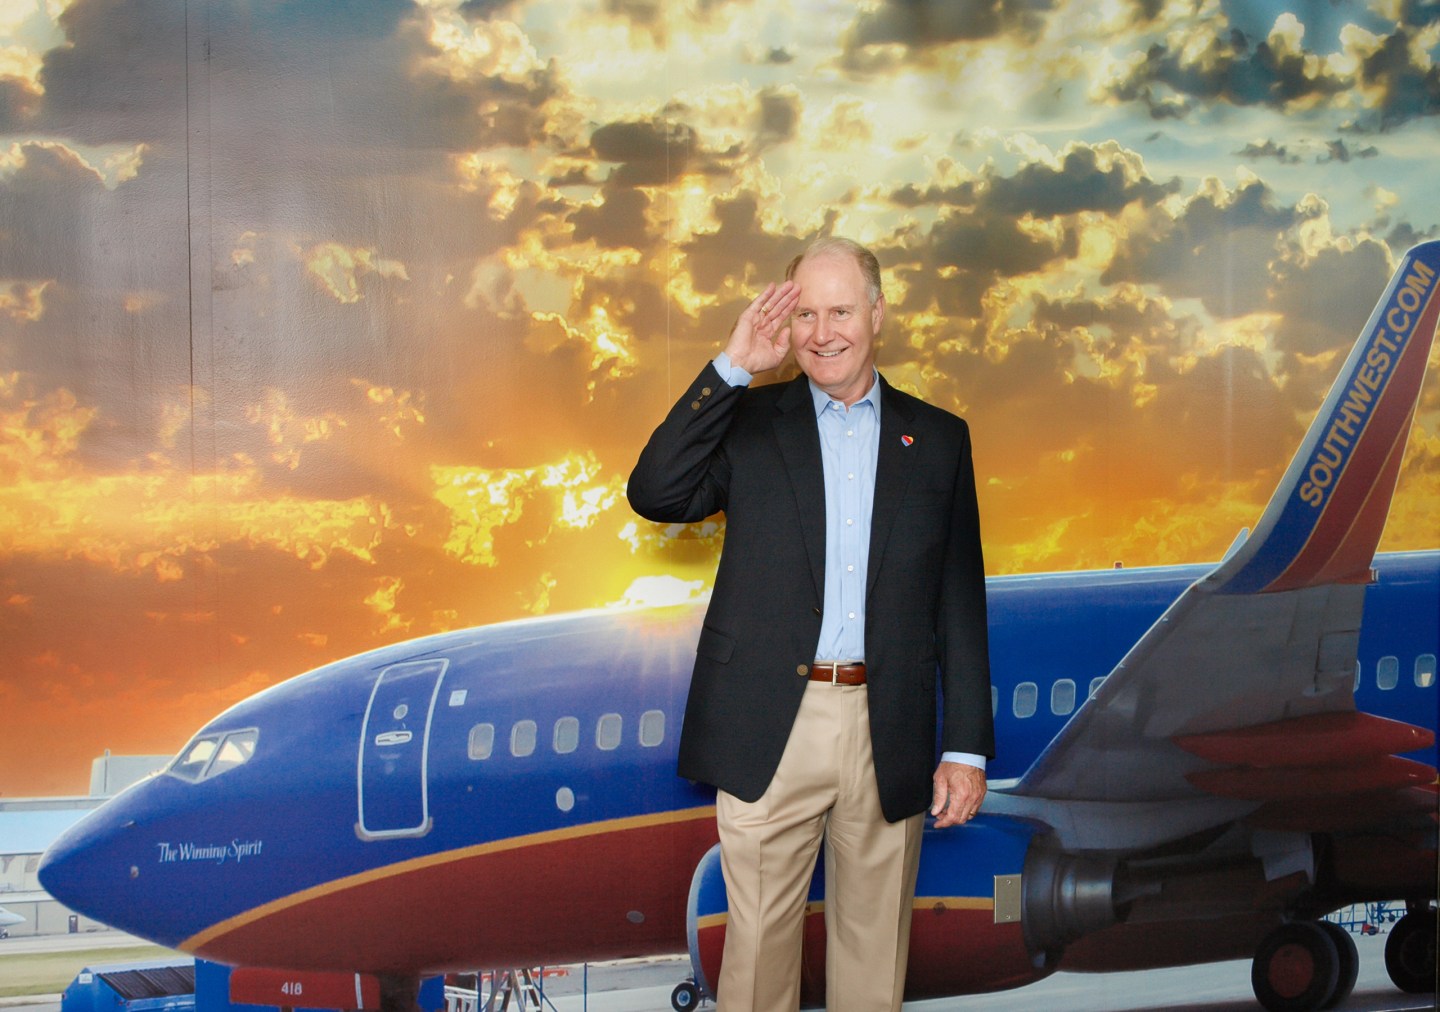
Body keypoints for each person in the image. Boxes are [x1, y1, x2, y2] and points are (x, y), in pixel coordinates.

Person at [627, 236, 993, 1011]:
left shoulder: (939, 439)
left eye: (841, 312)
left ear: (877, 314)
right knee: (757, 960)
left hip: (888, 727)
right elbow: (656, 491)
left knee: (873, 959)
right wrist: (733, 366)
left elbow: (959, 601)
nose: (823, 333)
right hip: (769, 725)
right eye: (805, 315)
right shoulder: (749, 421)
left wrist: (964, 749)